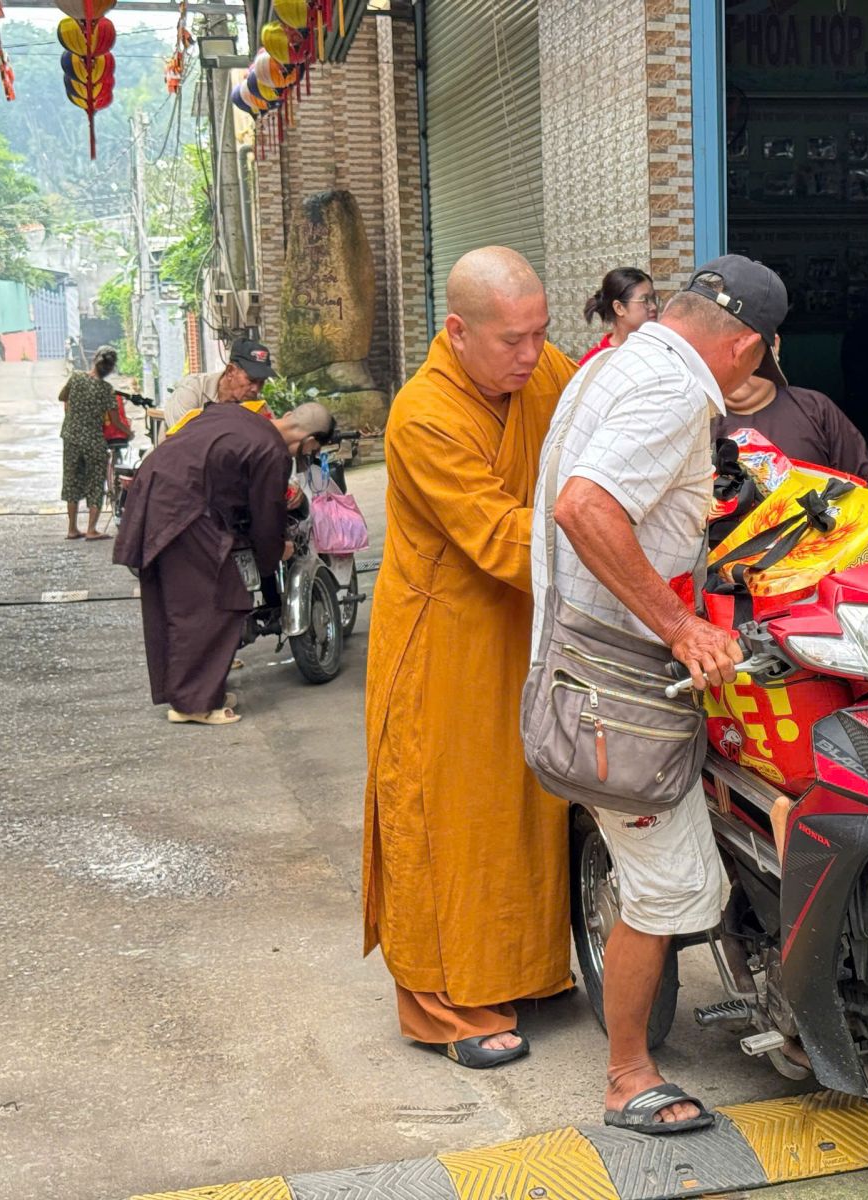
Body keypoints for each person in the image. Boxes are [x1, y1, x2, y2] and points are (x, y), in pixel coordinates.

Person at [535, 254, 781, 1134]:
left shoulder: (618, 361)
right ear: (747, 347)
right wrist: (680, 627)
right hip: (617, 681)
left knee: (680, 871)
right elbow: (585, 507)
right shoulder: (675, 393)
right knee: (673, 886)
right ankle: (627, 1076)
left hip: (583, 654)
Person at [362, 247, 578, 1070]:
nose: (532, 354)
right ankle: (438, 1006)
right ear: (457, 332)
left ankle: (523, 970)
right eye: (512, 341)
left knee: (524, 803)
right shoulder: (424, 414)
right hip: (445, 638)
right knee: (443, 816)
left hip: (524, 620)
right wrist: (612, 542)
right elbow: (496, 533)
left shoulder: (542, 370)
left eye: (540, 333)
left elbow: (593, 426)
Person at [113, 399, 335, 725]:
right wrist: (276, 551)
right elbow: (266, 515)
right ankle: (193, 704)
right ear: (310, 441)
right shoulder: (272, 453)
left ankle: (200, 693)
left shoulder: (237, 413)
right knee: (213, 602)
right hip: (184, 508)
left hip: (155, 486)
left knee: (178, 602)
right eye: (312, 450)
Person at [715, 336, 868, 483]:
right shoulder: (702, 419)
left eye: (747, 349)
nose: (737, 361)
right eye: (726, 348)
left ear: (774, 345)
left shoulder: (816, 409)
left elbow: (862, 486)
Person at [59, 346, 120, 541]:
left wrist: (72, 410)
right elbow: (116, 420)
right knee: (95, 483)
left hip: (71, 438)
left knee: (71, 481)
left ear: (95, 359)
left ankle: (72, 529)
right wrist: (129, 433)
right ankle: (91, 530)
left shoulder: (76, 377)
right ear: (111, 368)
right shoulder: (106, 389)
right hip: (94, 441)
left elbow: (62, 397)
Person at [161, 338, 275, 428]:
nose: (256, 389)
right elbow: (184, 440)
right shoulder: (192, 390)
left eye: (261, 382)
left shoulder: (259, 407)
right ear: (230, 371)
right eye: (251, 380)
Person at [579, 267, 658, 366]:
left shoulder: (662, 346)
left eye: (653, 298)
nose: (654, 307)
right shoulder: (594, 363)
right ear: (619, 308)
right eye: (645, 300)